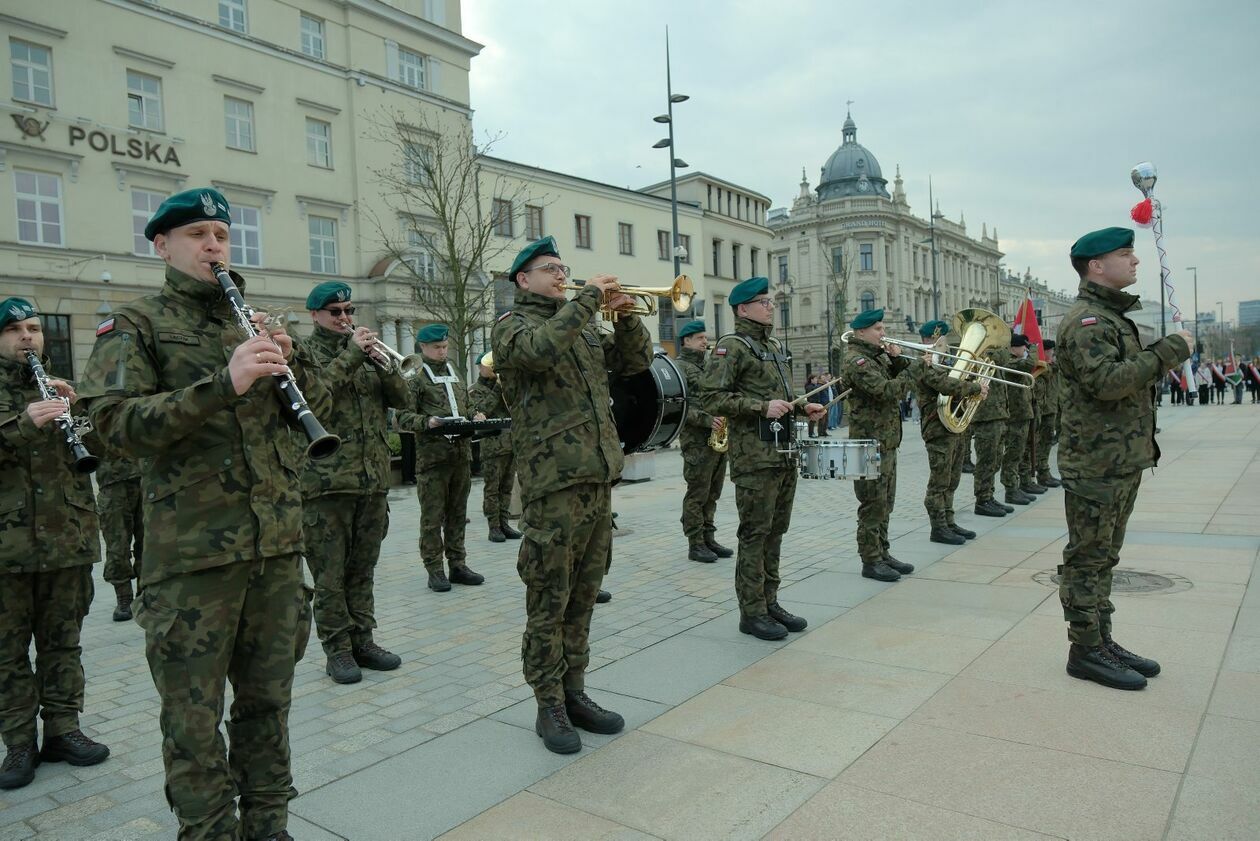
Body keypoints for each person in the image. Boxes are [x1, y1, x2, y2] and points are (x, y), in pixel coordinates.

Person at [79, 187, 328, 840]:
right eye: (196, 233)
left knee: (267, 708)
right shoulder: (136, 324)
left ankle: (269, 826)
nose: (213, 244)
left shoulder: (253, 322)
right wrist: (224, 383)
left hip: (273, 553)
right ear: (161, 244)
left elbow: (319, 412)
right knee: (192, 725)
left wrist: (291, 364)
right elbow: (110, 426)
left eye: (221, 232)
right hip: (191, 567)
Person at [491, 237, 652, 754]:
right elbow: (539, 354)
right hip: (553, 484)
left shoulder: (578, 328)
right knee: (548, 600)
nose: (562, 275)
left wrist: (626, 317)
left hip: (596, 480)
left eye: (565, 268)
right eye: (550, 269)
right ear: (523, 280)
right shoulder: (513, 328)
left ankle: (575, 691)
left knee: (583, 598)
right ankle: (548, 704)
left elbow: (632, 365)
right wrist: (586, 302)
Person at [1057, 227, 1192, 690]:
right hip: (1095, 464)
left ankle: (1101, 639)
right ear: (1096, 265)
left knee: (1105, 557)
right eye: (1124, 254)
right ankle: (1085, 649)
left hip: (1119, 459)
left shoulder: (1111, 317)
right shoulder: (1087, 321)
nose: (1135, 261)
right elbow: (1110, 382)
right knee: (1086, 558)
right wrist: (1169, 351)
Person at [0, 297, 111, 791]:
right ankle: (19, 742)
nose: (28, 337)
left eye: (34, 329)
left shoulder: (63, 388)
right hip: (7, 551)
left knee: (63, 644)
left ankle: (64, 729)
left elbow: (99, 448)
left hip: (67, 540)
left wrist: (79, 412)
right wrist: (26, 422)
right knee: (7, 653)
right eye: (14, 330)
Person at [699, 277, 826, 635]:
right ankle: (751, 611)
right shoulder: (731, 347)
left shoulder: (771, 346)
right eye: (763, 301)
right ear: (742, 308)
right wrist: (760, 407)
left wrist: (802, 409)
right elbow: (711, 398)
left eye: (770, 301)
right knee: (755, 534)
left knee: (775, 532)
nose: (770, 306)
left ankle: (770, 602)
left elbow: (780, 400)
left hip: (783, 454)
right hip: (755, 458)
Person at [300, 281, 408, 684]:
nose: (345, 318)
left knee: (363, 570)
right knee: (330, 575)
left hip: (371, 481)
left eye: (349, 311)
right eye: (335, 312)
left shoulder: (367, 355)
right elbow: (316, 398)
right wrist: (350, 356)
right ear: (315, 315)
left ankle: (363, 639)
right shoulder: (304, 353)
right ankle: (337, 649)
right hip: (327, 484)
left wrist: (385, 365)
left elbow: (402, 400)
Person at [396, 324, 486, 593]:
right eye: (436, 347)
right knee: (432, 517)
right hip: (433, 458)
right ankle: (434, 569)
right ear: (422, 347)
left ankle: (457, 564)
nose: (442, 351)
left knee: (458, 514)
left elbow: (465, 405)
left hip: (460, 455)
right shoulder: (414, 376)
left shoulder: (454, 370)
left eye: (445, 346)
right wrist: (428, 421)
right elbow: (400, 417)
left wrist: (475, 415)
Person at [840, 308, 916, 581]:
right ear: (861, 332)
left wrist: (898, 361)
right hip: (868, 443)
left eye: (882, 328)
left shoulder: (876, 357)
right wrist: (915, 369)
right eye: (878, 329)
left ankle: (882, 551)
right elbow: (886, 391)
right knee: (872, 503)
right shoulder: (857, 360)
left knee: (886, 502)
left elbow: (894, 382)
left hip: (885, 441)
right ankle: (870, 560)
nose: (883, 333)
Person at [909, 320, 987, 545]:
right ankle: (938, 526)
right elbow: (946, 385)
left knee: (952, 478)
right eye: (937, 340)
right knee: (939, 480)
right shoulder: (924, 364)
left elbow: (959, 384)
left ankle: (949, 520)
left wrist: (979, 385)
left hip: (954, 425)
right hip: (936, 427)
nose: (942, 343)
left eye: (942, 339)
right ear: (927, 340)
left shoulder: (949, 362)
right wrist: (975, 388)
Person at [674, 319, 732, 563]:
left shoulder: (707, 365)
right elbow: (678, 406)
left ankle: (709, 537)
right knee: (697, 492)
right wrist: (707, 420)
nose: (705, 341)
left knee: (713, 492)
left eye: (705, 338)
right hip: (696, 439)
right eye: (699, 338)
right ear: (686, 341)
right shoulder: (679, 367)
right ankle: (695, 543)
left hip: (716, 438)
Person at [468, 351, 521, 543]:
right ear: (480, 368)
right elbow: (482, 410)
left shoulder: (504, 387)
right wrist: (498, 389)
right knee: (492, 489)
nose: (493, 369)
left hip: (510, 444)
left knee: (506, 488)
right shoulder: (475, 390)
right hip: (492, 447)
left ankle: (505, 523)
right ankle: (494, 527)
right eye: (489, 365)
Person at [96, 452, 143, 621]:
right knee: (117, 544)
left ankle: (145, 592)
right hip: (112, 481)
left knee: (148, 542)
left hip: (146, 474)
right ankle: (124, 597)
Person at [1000, 334, 1040, 505]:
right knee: (1012, 454)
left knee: (1020, 453)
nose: (1025, 350)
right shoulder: (1010, 362)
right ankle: (1010, 489)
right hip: (1014, 416)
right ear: (1013, 348)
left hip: (1023, 414)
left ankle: (1019, 485)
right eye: (1023, 347)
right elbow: (1030, 364)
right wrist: (1034, 348)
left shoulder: (1016, 361)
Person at [1033, 339, 1062, 487]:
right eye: (1050, 351)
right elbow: (1048, 371)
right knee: (1038, 442)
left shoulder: (1052, 365)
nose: (1052, 353)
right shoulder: (1040, 367)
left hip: (1050, 408)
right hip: (1041, 410)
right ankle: (1038, 472)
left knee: (1046, 441)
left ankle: (1044, 472)